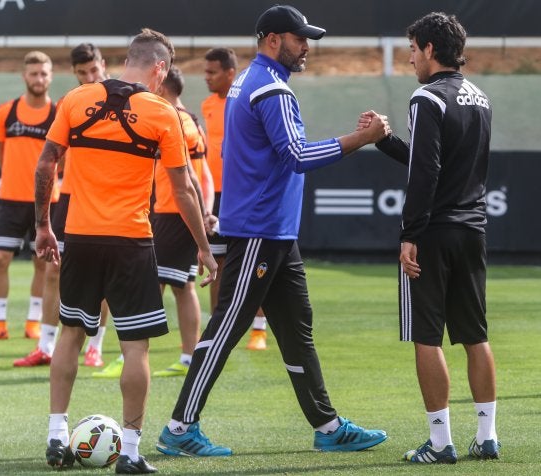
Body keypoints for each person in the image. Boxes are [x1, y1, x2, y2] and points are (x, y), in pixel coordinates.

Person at [156, 4, 390, 456]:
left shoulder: (249, 80)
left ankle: (328, 426)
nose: (306, 47)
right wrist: (359, 139)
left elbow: (285, 153)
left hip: (273, 233)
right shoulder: (271, 89)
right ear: (272, 40)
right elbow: (297, 155)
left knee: (296, 330)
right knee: (226, 328)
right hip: (261, 230)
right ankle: (180, 429)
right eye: (300, 39)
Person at [35, 28, 217, 474]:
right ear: (159, 69)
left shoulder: (77, 99)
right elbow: (185, 189)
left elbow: (46, 163)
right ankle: (131, 452)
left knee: (71, 334)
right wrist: (205, 249)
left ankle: (56, 437)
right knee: (136, 348)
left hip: (79, 235)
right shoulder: (162, 112)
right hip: (132, 241)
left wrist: (43, 225)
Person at [368, 11, 499, 464]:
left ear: (428, 48)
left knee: (427, 337)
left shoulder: (426, 97)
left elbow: (425, 171)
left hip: (433, 233)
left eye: (411, 50)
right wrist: (385, 140)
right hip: (472, 229)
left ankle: (440, 443)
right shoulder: (479, 96)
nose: (409, 60)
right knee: (474, 335)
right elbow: (439, 163)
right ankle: (487, 438)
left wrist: (410, 233)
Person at [13, 43, 111, 367]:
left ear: (103, 64)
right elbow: (54, 157)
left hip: (110, 199)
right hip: (71, 198)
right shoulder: (70, 103)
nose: (88, 77)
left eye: (93, 70)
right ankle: (45, 345)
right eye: (82, 72)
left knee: (106, 274)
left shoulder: (121, 99)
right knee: (53, 270)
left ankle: (95, 345)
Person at [0, 51, 58, 342]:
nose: (39, 78)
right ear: (24, 76)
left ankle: (33, 323)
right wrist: (16, 177)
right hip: (11, 198)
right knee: (0, 258)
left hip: (48, 200)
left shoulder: (57, 114)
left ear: (51, 76)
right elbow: (0, 152)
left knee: (42, 263)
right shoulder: (5, 112)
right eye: (34, 73)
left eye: (44, 73)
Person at [202, 47, 269, 351]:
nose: (207, 78)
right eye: (205, 72)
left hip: (241, 192)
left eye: (212, 72)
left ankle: (258, 329)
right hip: (215, 194)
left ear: (230, 73)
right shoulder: (207, 105)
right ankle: (219, 325)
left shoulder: (246, 98)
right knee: (217, 262)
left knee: (254, 261)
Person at [153, 65, 215, 377]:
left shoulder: (174, 120)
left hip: (172, 211)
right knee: (183, 286)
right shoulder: (191, 119)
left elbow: (191, 175)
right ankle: (190, 357)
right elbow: (204, 173)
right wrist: (206, 210)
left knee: (153, 284)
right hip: (181, 211)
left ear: (161, 87)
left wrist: (202, 211)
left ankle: (132, 355)